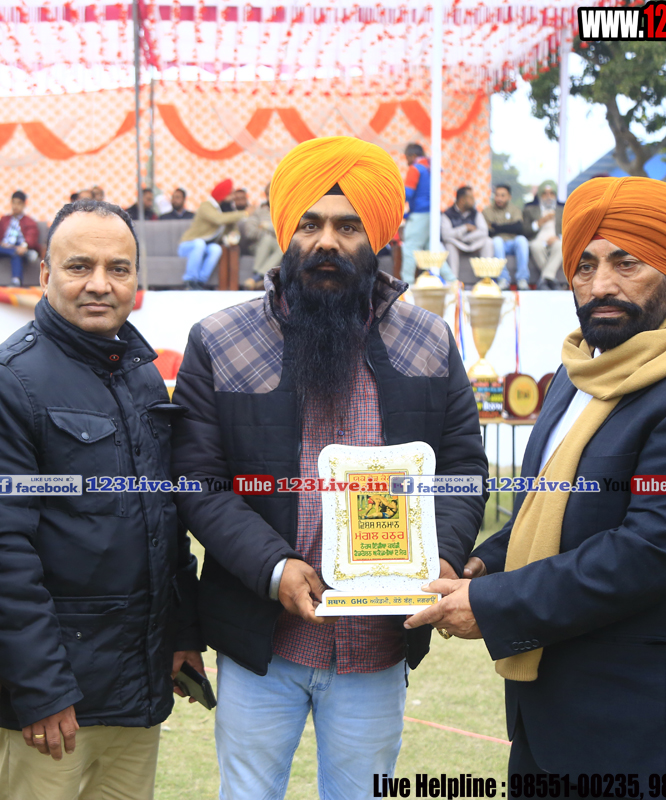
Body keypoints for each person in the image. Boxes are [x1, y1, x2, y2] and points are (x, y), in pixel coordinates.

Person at [408, 176, 666, 777]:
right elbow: (550, 505)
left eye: (626, 263)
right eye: (584, 266)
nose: (601, 284)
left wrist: (494, 603)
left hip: (660, 730)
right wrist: (482, 564)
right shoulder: (578, 372)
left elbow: (649, 551)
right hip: (551, 720)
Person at [171, 136, 487, 798]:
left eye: (348, 227)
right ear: (287, 232)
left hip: (378, 643)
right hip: (262, 641)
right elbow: (200, 484)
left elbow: (462, 467)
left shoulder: (429, 341)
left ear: (377, 239)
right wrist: (274, 568)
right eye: (310, 224)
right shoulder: (221, 341)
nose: (326, 242)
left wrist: (443, 557)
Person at [0, 198, 202, 800]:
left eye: (118, 268)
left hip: (139, 686)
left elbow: (164, 522)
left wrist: (182, 633)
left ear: (136, 278)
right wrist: (41, 689)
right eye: (79, 266)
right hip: (57, 699)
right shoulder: (1, 383)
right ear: (44, 274)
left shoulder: (142, 374)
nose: (99, 284)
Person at [177, 179, 245, 290]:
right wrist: (245, 213)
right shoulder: (206, 206)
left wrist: (233, 237)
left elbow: (233, 228)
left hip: (205, 247)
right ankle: (189, 280)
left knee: (216, 249)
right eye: (230, 194)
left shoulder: (225, 209)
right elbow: (219, 219)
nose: (233, 197)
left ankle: (200, 282)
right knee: (199, 243)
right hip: (188, 245)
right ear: (223, 194)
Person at [402, 142, 449, 283]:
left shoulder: (415, 168)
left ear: (413, 156)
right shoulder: (431, 167)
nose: (406, 162)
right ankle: (453, 281)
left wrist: (392, 200)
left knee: (409, 248)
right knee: (433, 250)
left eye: (407, 158)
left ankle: (407, 285)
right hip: (432, 214)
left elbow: (408, 193)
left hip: (420, 214)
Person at [482, 184, 529, 290]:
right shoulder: (487, 211)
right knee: (497, 241)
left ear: (509, 197)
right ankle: (503, 279)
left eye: (503, 195)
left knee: (522, 240)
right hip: (498, 244)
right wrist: (508, 227)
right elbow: (488, 232)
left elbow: (518, 228)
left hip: (513, 242)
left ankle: (522, 279)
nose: (499, 198)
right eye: (497, 195)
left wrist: (496, 226)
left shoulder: (515, 209)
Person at [440, 186, 491, 284]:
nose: (474, 200)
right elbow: (446, 235)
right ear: (462, 200)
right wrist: (465, 228)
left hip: (473, 244)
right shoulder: (447, 214)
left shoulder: (475, 213)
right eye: (471, 198)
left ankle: (486, 279)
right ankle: (453, 282)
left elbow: (484, 231)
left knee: (488, 242)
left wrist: (466, 237)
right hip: (457, 244)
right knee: (449, 244)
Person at [0, 190, 42, 286]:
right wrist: (1, 244)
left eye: (19, 203)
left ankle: (16, 280)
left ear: (24, 205)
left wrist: (24, 246)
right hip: (3, 248)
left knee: (18, 252)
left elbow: (31, 237)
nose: (15, 206)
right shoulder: (4, 219)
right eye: (14, 203)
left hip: (20, 247)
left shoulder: (29, 221)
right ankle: (22, 253)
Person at [523, 180, 565, 289]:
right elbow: (525, 231)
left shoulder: (563, 210)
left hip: (555, 241)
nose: (548, 197)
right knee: (535, 245)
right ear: (540, 195)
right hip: (537, 241)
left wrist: (558, 237)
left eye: (551, 193)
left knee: (561, 245)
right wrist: (539, 222)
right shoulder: (530, 209)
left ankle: (544, 280)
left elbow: (570, 229)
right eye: (545, 194)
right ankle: (550, 279)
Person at [240, 183, 282, 290]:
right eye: (269, 194)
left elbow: (286, 231)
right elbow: (250, 232)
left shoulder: (284, 211)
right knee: (267, 239)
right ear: (266, 195)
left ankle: (256, 277)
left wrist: (266, 227)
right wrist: (271, 232)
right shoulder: (258, 212)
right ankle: (259, 277)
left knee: (282, 247)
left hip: (279, 245)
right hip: (258, 245)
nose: (271, 197)